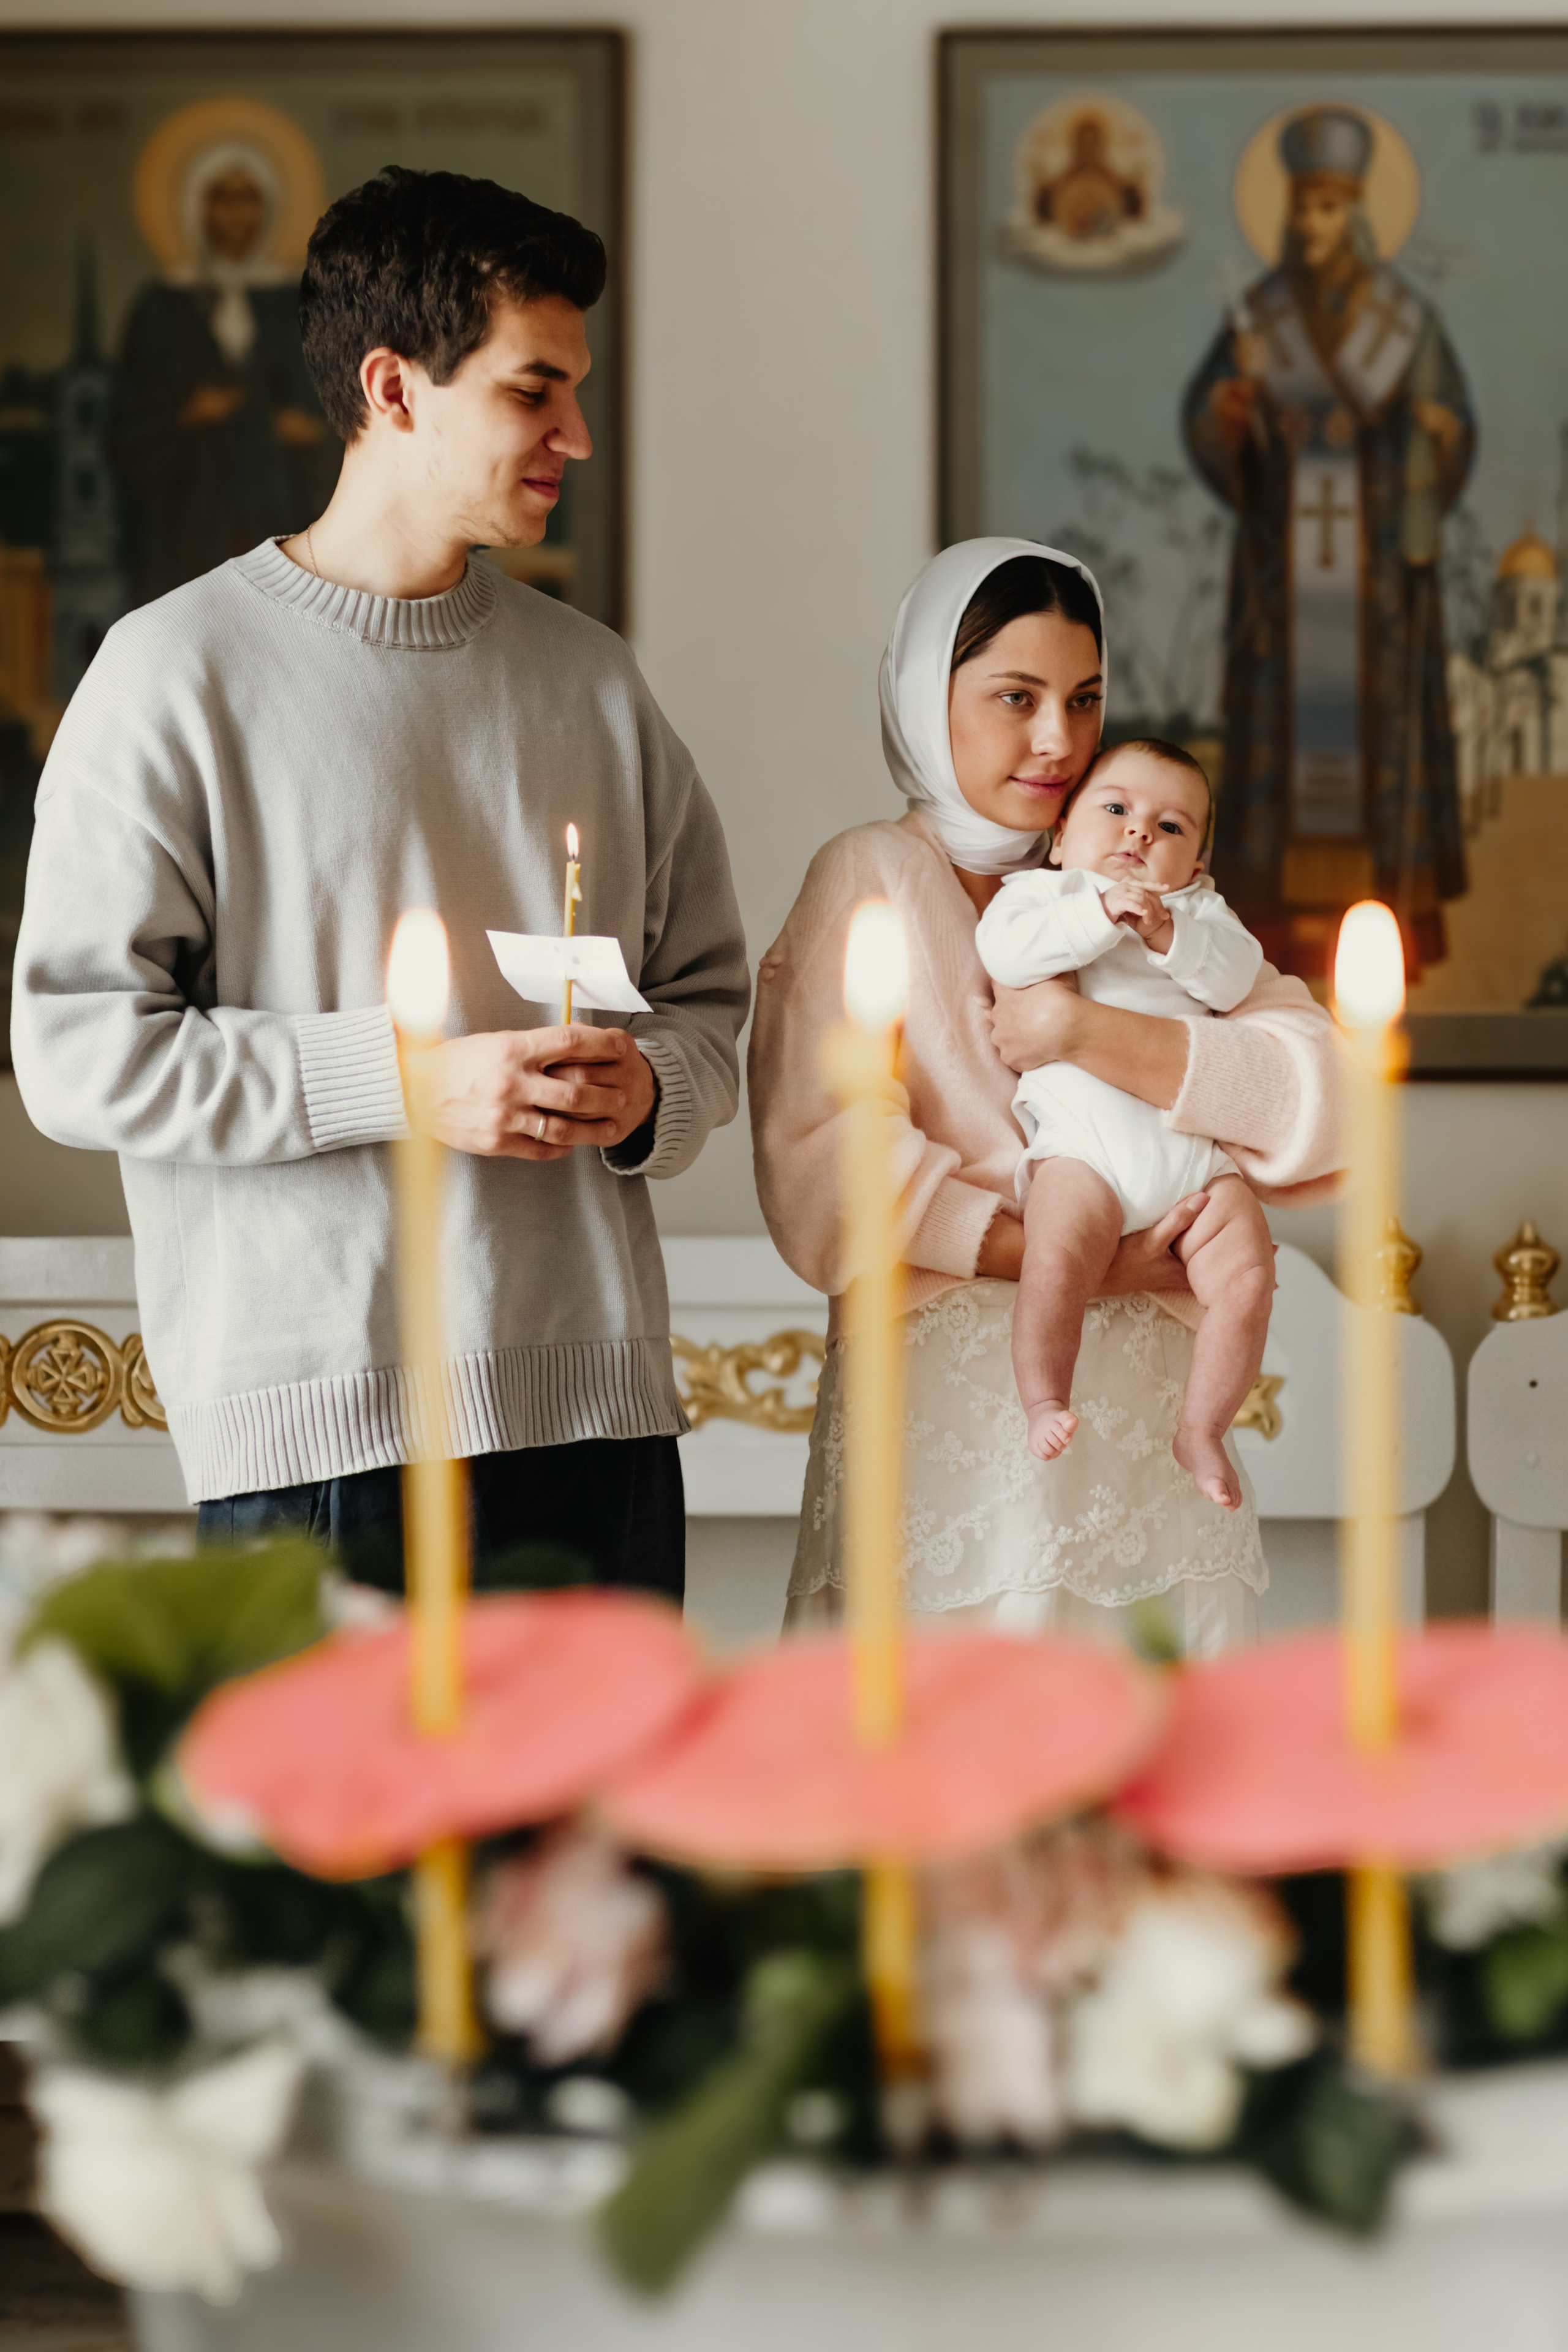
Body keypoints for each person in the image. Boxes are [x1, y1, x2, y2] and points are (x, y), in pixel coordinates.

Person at [13, 166, 749, 1600]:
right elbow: (74, 1051)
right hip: (323, 1437)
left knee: (612, 1839)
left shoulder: (593, 682)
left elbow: (711, 1003)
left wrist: (650, 1090)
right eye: (535, 393)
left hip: (599, 1420)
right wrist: (404, 1085)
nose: (576, 437)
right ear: (394, 388)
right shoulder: (175, 678)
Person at [749, 539, 1340, 1654]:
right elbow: (826, 1165)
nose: (1059, 741)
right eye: (1014, 698)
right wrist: (1079, 1256)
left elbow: (1319, 1095)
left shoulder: (1144, 879)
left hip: (1148, 1425)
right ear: (931, 698)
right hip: (948, 1420)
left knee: (1144, 1770)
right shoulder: (867, 876)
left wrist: (1083, 1029)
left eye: (1085, 699)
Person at [1182, 105, 1474, 983]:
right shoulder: (1259, 314)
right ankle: (1273, 923)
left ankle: (1389, 924)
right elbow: (1210, 416)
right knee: (1280, 739)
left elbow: (1452, 425)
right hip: (1284, 582)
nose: (1313, 223)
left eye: (1329, 207)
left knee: (1380, 738)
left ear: (1355, 212)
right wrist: (1229, 418)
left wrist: (1435, 434)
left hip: (1375, 585)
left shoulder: (1403, 319)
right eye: (1302, 207)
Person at [974, 739, 1274, 1510]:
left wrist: (1167, 936)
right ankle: (1044, 1395)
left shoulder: (1199, 915)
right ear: (1062, 834)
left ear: (1198, 866)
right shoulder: (1039, 897)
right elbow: (1003, 951)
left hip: (1190, 1157)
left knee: (1246, 1276)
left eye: (1170, 827)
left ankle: (1202, 1428)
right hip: (1084, 1149)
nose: (1139, 834)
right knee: (1057, 1258)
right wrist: (1095, 913)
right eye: (1116, 811)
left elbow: (1238, 978)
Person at [114, 146, 339, 608]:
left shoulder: (295, 302)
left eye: (249, 199)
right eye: (223, 199)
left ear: (269, 209)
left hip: (280, 505)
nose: (237, 214)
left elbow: (327, 401)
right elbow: (131, 421)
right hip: (188, 517)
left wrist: (302, 429)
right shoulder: (162, 305)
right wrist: (188, 416)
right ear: (200, 208)